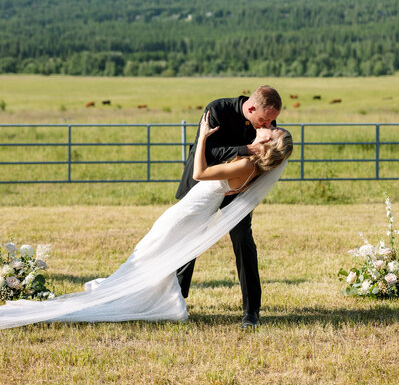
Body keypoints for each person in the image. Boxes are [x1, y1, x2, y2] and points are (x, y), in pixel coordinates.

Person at [0, 112, 292, 330]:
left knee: (148, 253)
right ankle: (153, 297)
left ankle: (142, 299)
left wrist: (203, 137)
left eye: (270, 130)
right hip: (196, 212)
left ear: (268, 143)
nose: (264, 128)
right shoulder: (258, 170)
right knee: (153, 253)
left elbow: (199, 174)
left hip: (188, 212)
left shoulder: (244, 164)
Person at [176, 85, 282, 328]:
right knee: (188, 240)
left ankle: (251, 311)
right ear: (252, 108)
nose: (268, 125)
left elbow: (269, 156)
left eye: (272, 121)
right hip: (204, 184)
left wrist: (247, 184)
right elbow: (209, 154)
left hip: (238, 188)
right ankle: (177, 299)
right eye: (265, 120)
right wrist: (246, 149)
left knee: (243, 238)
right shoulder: (217, 110)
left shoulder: (265, 121)